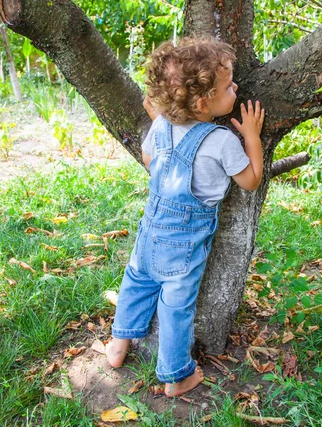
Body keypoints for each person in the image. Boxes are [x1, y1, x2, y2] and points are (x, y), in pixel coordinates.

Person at [105, 37, 264, 397]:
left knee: (136, 282)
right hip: (184, 244)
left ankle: (118, 345)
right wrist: (252, 136)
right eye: (228, 86)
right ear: (204, 102)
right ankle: (176, 376)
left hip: (149, 233)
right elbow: (251, 181)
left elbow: (150, 163)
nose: (236, 88)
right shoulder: (221, 140)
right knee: (176, 306)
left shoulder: (160, 126)